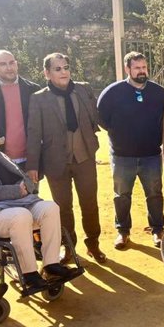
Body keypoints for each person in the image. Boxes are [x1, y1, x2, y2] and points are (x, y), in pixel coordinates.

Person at [0, 121, 77, 291]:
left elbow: (25, 180)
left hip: (22, 204)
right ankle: (29, 274)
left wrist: (25, 188)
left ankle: (51, 265)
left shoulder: (1, 157)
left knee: (50, 207)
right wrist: (14, 191)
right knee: (21, 215)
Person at [26, 53, 106, 264]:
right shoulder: (38, 98)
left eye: (66, 67)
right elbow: (34, 133)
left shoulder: (83, 89)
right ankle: (69, 248)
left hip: (85, 158)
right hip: (55, 162)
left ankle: (93, 244)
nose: (64, 72)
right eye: (58, 68)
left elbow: (96, 116)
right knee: (62, 207)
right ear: (47, 73)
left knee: (90, 203)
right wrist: (32, 164)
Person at [97, 52, 164, 249]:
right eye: (137, 68)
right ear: (127, 69)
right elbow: (100, 117)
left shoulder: (158, 92)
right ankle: (123, 231)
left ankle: (158, 230)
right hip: (122, 156)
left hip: (151, 154)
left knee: (155, 193)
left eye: (144, 67)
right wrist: (118, 132)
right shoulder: (112, 92)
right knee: (122, 195)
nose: (141, 71)